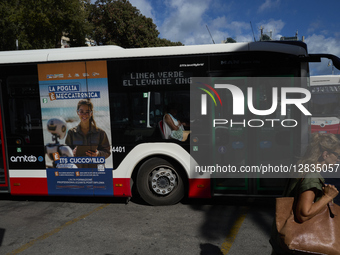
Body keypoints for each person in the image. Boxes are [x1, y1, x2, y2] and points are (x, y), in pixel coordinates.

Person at [270, 133, 339, 255]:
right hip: (299, 246)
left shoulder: (302, 168)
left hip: (283, 242)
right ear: (325, 154)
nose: (338, 159)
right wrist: (328, 197)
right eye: (337, 155)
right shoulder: (312, 177)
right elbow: (303, 214)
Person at [65, 99, 111, 168]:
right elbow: (65, 153)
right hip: (78, 171)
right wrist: (71, 153)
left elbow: (107, 152)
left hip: (96, 171)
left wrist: (98, 154)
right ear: (77, 112)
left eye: (87, 112)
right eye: (81, 111)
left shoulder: (100, 133)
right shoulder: (71, 133)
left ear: (91, 113)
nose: (84, 114)